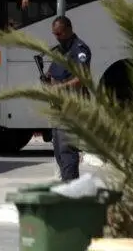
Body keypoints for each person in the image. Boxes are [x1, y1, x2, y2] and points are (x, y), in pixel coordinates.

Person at [40, 16, 91, 181]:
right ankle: (66, 184)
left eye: (60, 33)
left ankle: (72, 189)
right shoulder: (59, 50)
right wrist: (46, 79)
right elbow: (52, 73)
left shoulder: (79, 50)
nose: (57, 37)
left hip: (72, 107)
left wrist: (59, 87)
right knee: (58, 150)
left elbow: (81, 79)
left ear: (69, 30)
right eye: (55, 34)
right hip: (58, 107)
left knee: (67, 149)